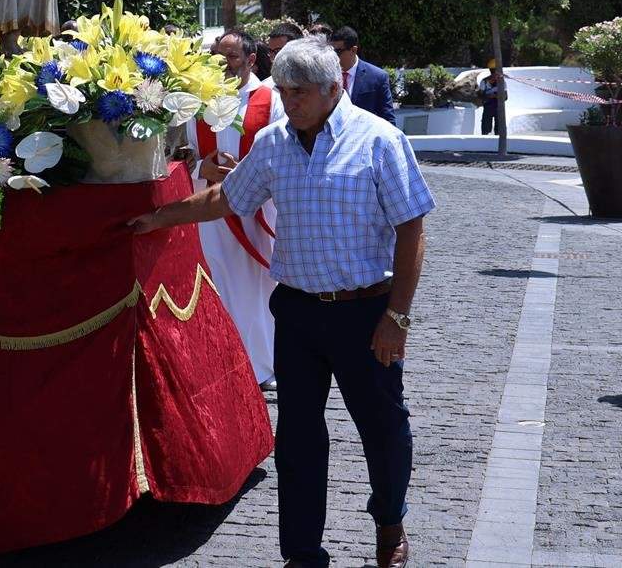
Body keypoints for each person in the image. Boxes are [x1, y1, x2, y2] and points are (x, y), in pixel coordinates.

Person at [130, 37, 432, 568]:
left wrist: (397, 317)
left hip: (366, 313)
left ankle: (389, 521)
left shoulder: (379, 141)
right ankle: (302, 552)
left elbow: (412, 229)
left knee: (382, 429)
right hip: (296, 312)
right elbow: (229, 196)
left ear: (333, 88)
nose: (289, 101)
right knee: (297, 438)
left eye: (300, 93)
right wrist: (160, 217)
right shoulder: (273, 143)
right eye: (284, 90)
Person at [193, 29, 281, 385]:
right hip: (210, 214)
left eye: (230, 57)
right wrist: (202, 168)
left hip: (257, 213)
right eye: (217, 56)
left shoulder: (271, 99)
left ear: (250, 60)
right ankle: (221, 361)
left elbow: (281, 152)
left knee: (258, 288)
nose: (223, 64)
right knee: (216, 284)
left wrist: (249, 175)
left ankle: (261, 366)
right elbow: (176, 157)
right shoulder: (197, 100)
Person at [330, 27, 396, 125]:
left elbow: (388, 119)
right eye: (331, 51)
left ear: (353, 50)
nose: (333, 57)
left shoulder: (377, 77)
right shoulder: (326, 75)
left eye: (338, 52)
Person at [477, 62, 506, 137]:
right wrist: (488, 96)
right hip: (488, 107)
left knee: (500, 129)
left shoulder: (502, 82)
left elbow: (506, 97)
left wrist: (498, 96)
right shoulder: (484, 82)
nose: (495, 75)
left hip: (499, 108)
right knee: (486, 129)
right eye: (493, 72)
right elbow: (480, 96)